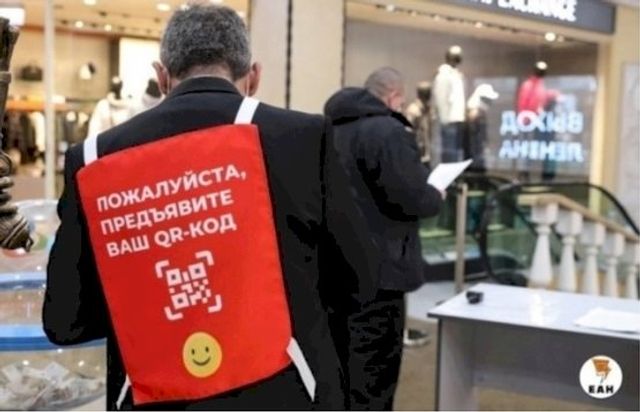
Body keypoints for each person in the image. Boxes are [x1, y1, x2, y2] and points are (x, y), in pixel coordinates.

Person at [44, 5, 379, 410]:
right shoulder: (304, 138)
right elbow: (359, 279)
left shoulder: (94, 159)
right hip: (287, 392)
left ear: (161, 76)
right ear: (253, 77)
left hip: (157, 399)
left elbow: (66, 320)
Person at [325, 67, 444, 410]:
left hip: (334, 269)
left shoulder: (326, 129)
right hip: (381, 272)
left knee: (341, 366)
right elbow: (412, 197)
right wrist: (435, 194)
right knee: (375, 372)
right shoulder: (389, 132)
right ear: (393, 97)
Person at [433, 45, 466, 162]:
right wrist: (445, 120)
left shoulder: (456, 75)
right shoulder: (444, 75)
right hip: (449, 121)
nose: (459, 58)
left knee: (456, 154)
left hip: (457, 119)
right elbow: (441, 98)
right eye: (457, 55)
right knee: (450, 155)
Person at [404, 81, 434, 168]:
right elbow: (407, 131)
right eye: (427, 92)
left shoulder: (428, 109)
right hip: (416, 153)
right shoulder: (413, 110)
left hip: (426, 153)